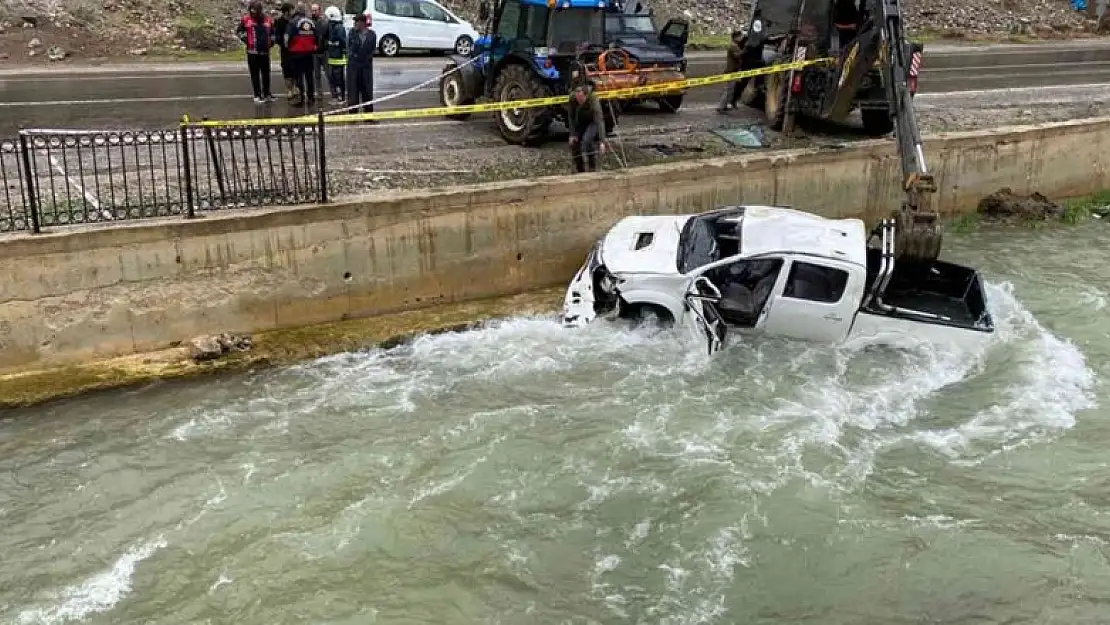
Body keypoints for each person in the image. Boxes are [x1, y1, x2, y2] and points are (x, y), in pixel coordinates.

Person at [236, 0, 276, 103]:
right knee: (255, 74)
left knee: (266, 73)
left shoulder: (267, 20)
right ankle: (257, 95)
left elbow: (273, 32)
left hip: (265, 52)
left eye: (255, 11)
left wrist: (272, 41)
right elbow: (239, 31)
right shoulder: (245, 20)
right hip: (252, 52)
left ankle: (267, 93)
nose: (253, 13)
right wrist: (246, 40)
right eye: (251, 11)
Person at [566, 79, 609, 173]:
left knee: (587, 140)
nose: (579, 100)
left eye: (581, 98)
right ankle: (579, 169)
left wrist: (602, 141)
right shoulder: (572, 98)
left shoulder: (593, 99)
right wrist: (572, 134)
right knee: (574, 144)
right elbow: (571, 116)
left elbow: (599, 120)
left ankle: (592, 166)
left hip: (592, 121)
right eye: (577, 98)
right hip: (580, 121)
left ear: (585, 95)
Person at [285, 2, 318, 106]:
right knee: (309, 77)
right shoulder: (311, 22)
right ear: (305, 10)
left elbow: (286, 38)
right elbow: (316, 37)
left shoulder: (292, 22)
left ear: (296, 10)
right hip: (309, 53)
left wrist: (288, 48)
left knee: (299, 77)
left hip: (296, 53)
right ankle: (311, 97)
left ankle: (301, 99)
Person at [346, 13, 377, 114]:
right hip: (354, 67)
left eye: (357, 22)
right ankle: (353, 110)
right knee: (353, 90)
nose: (355, 24)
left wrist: (367, 59)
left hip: (366, 67)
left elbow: (372, 50)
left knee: (367, 90)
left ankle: (368, 110)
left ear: (362, 23)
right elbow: (350, 48)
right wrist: (355, 57)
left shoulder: (372, 34)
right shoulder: (352, 33)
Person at [716, 30, 746, 113]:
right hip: (731, 71)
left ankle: (724, 106)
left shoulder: (734, 45)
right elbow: (737, 55)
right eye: (740, 37)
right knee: (729, 90)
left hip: (732, 71)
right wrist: (745, 51)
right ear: (735, 37)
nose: (741, 38)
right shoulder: (733, 46)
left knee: (730, 90)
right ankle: (721, 107)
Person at [323, 6, 347, 103]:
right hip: (332, 57)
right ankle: (336, 97)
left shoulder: (339, 28)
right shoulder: (331, 26)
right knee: (332, 77)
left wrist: (333, 43)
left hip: (338, 57)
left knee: (339, 78)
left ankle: (341, 97)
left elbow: (343, 42)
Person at [273, 2, 296, 100]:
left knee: (295, 70)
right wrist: (283, 42)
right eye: (291, 9)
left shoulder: (294, 21)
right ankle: (289, 89)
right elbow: (276, 37)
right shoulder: (279, 22)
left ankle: (295, 87)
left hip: (295, 50)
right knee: (287, 71)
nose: (293, 12)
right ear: (286, 11)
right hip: (285, 51)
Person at [311, 4, 329, 99]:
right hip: (315, 52)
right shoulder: (310, 23)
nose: (313, 12)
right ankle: (319, 92)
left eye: (315, 10)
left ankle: (334, 91)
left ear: (319, 11)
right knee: (316, 74)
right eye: (312, 11)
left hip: (324, 51)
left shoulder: (325, 22)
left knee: (328, 73)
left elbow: (325, 35)